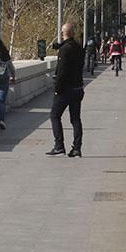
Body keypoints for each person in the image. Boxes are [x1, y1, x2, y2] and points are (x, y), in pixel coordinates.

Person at [48, 23, 84, 157]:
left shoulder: (65, 50)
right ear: (73, 33)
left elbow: (62, 71)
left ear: (63, 34)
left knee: (54, 115)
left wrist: (57, 88)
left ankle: (59, 145)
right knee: (75, 119)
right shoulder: (79, 48)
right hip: (78, 87)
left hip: (65, 90)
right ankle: (77, 148)